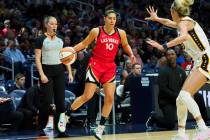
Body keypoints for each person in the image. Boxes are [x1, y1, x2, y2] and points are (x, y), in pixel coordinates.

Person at [58, 9, 136, 140]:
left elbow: (126, 45)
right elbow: (84, 44)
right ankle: (65, 115)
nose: (112, 21)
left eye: (114, 19)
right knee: (87, 95)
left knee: (110, 98)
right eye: (110, 18)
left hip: (110, 67)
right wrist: (71, 50)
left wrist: (131, 54)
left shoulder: (121, 33)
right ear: (104, 18)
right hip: (95, 65)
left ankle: (100, 128)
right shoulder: (96, 31)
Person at [145, 0, 210, 139]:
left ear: (174, 11)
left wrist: (164, 46)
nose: (170, 13)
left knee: (185, 96)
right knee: (181, 98)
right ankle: (181, 134)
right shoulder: (182, 22)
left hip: (205, 60)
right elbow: (169, 22)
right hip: (199, 61)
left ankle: (203, 127)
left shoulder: (184, 23)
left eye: (170, 10)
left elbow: (184, 36)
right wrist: (156, 19)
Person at [146, 49, 207, 131]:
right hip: (167, 101)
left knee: (198, 96)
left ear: (176, 56)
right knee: (170, 124)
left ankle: (204, 122)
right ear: (166, 57)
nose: (171, 56)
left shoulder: (181, 70)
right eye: (168, 55)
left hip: (179, 97)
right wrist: (178, 96)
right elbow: (163, 89)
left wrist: (190, 93)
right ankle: (154, 117)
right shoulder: (163, 71)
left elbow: (186, 84)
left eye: (172, 54)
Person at [35, 16, 73, 137]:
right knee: (46, 102)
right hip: (46, 71)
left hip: (59, 71)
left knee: (61, 103)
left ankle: (61, 130)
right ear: (46, 25)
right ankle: (41, 128)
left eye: (56, 24)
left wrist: (70, 73)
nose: (54, 26)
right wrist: (41, 74)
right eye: (51, 24)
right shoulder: (41, 39)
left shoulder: (61, 39)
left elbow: (65, 57)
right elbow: (37, 59)